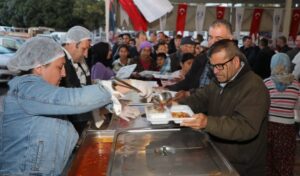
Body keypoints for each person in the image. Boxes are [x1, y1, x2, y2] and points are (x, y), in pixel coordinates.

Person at [0, 37, 116, 175]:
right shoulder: (26, 88)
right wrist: (113, 89)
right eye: (60, 67)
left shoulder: (42, 92)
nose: (64, 73)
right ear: (39, 67)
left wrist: (109, 105)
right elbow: (72, 99)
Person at [178, 39, 270, 175]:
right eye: (212, 66)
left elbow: (245, 127)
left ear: (235, 62)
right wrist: (175, 105)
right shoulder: (219, 81)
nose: (215, 71)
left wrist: (207, 122)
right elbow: (199, 99)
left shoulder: (254, 86)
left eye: (220, 66)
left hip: (243, 166)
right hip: (219, 156)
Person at [167, 19, 234, 94]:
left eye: (218, 38)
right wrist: (167, 89)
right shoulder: (202, 58)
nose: (212, 42)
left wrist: (189, 94)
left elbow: (218, 92)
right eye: (210, 37)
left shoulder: (234, 63)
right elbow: (188, 81)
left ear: (230, 39)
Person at [265, 53, 300, 176]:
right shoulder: (296, 85)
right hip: (287, 129)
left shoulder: (266, 83)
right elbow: (297, 107)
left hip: (268, 128)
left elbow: (262, 107)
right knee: (285, 163)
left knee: (268, 162)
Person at [60, 26, 93, 136]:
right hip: (71, 122)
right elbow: (71, 92)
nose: (86, 54)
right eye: (84, 49)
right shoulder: (61, 60)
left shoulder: (77, 59)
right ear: (74, 45)